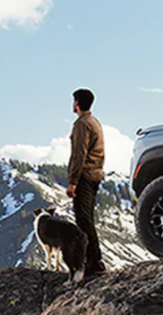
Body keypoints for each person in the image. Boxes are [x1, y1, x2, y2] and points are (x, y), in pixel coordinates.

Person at [67, 88, 107, 276]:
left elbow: (79, 154)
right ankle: (93, 259)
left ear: (77, 103)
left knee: (83, 220)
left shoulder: (82, 125)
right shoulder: (95, 122)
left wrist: (73, 181)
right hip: (95, 175)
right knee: (87, 218)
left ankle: (93, 261)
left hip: (85, 176)